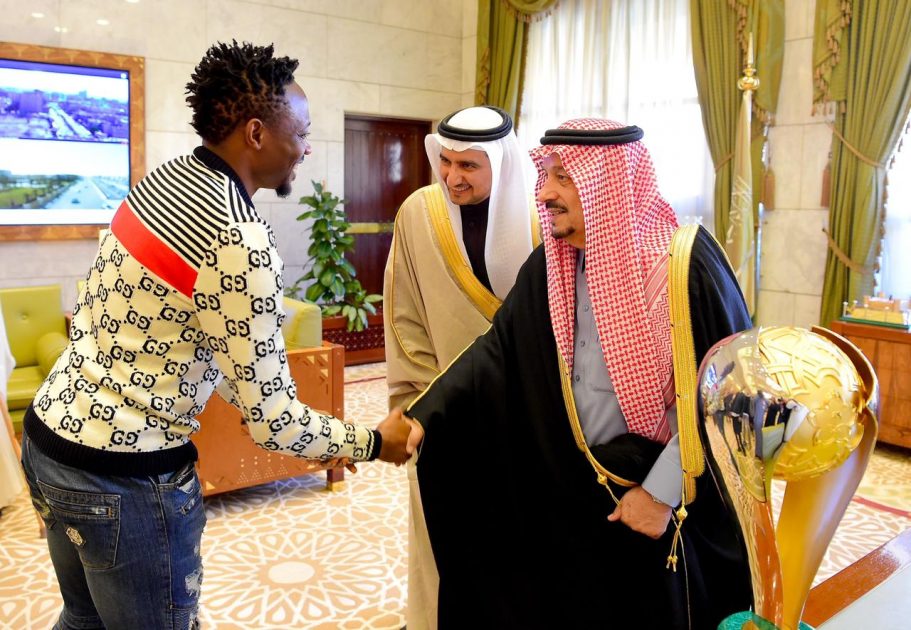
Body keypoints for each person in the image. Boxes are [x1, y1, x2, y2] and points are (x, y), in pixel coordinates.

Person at [19, 41, 412, 630]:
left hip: (50, 443)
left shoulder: (161, 182)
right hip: (124, 478)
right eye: (302, 133)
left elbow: (207, 350)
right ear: (256, 133)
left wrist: (306, 431)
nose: (306, 148)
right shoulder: (238, 239)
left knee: (84, 621)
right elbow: (272, 420)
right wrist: (373, 442)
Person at [402, 118, 754, 629]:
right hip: (577, 490)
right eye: (546, 175)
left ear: (606, 184)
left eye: (563, 177)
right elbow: (496, 352)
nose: (545, 193)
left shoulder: (684, 265)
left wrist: (661, 493)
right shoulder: (552, 264)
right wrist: (424, 416)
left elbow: (727, 397)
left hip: (661, 501)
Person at [384, 105, 538, 629]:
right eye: (445, 162)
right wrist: (427, 403)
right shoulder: (418, 213)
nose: (452, 177)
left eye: (469, 165)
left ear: (502, 163)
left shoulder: (539, 216)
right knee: (442, 534)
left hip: (524, 414)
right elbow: (404, 317)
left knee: (520, 538)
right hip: (442, 411)